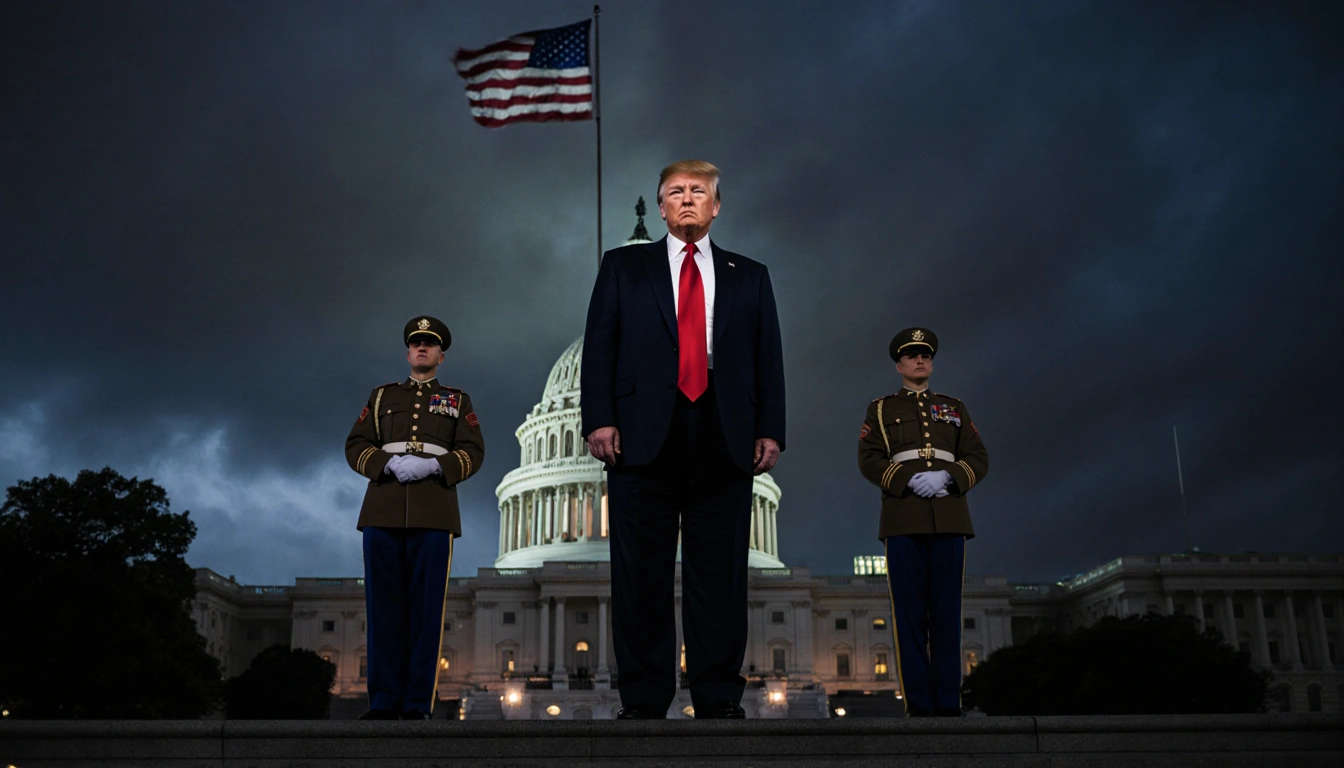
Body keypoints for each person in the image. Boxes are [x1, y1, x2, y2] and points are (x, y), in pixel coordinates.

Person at [582, 159, 786, 719]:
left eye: (700, 191)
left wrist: (771, 427)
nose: (688, 200)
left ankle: (718, 693)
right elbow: (599, 345)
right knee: (639, 572)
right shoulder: (623, 266)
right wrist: (600, 418)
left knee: (719, 573)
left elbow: (768, 356)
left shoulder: (751, 273)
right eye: (676, 192)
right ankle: (645, 696)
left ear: (717, 206)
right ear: (663, 204)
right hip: (642, 430)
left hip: (723, 428)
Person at [344, 316, 485, 720]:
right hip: (383, 510)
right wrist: (388, 464)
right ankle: (384, 699)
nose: (422, 348)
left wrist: (434, 468)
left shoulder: (458, 401)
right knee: (383, 610)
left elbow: (473, 452)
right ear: (408, 352)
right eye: (416, 343)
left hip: (434, 511)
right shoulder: (381, 396)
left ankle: (416, 703)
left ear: (441, 355)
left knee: (426, 613)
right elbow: (356, 444)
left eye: (430, 343)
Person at [856, 328, 988, 717]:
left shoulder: (955, 407)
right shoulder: (880, 410)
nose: (920, 361)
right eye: (912, 356)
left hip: (948, 516)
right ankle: (919, 703)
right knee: (910, 617)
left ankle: (948, 701)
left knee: (947, 614)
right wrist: (906, 480)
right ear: (899, 365)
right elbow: (869, 458)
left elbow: (978, 457)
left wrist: (948, 477)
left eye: (925, 355)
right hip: (904, 517)